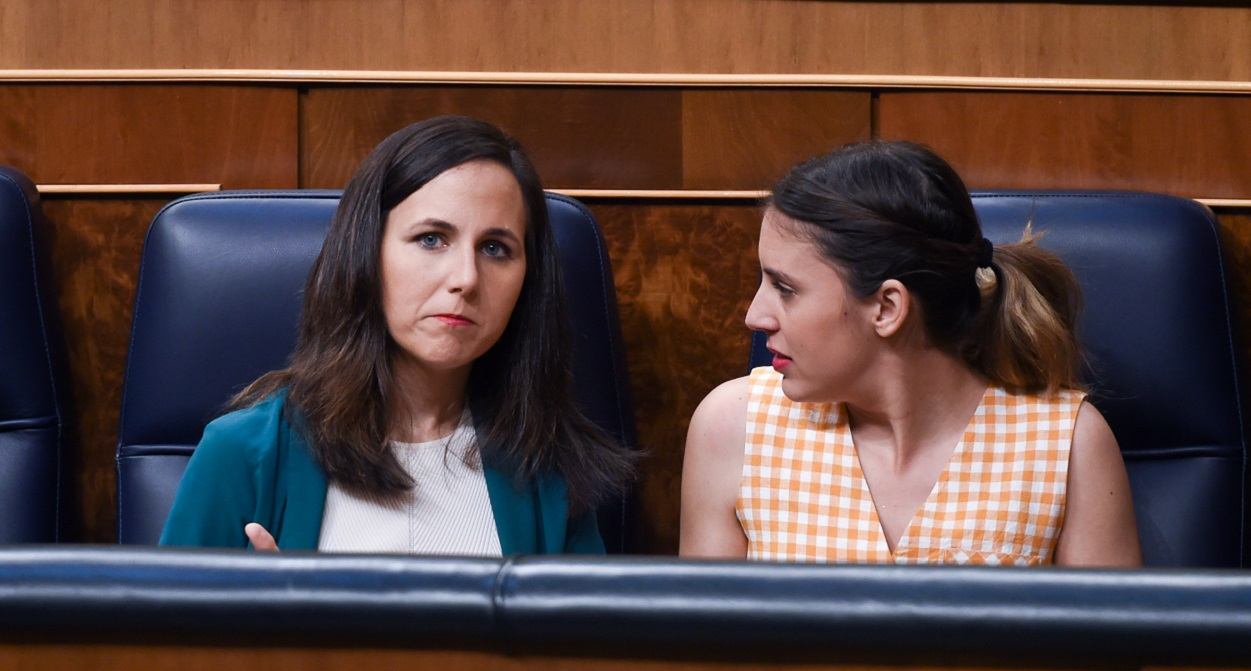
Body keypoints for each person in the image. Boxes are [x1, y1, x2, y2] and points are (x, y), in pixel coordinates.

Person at [161, 115, 634, 554]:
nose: (466, 278)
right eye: (431, 239)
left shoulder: (546, 465)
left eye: (495, 248)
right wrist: (263, 635)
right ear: (367, 253)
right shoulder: (243, 452)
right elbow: (159, 643)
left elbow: (586, 646)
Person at [680, 140, 1140, 567]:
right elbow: (701, 649)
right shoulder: (733, 426)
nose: (755, 317)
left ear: (886, 307)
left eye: (785, 288)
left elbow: (1112, 651)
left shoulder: (1068, 444)